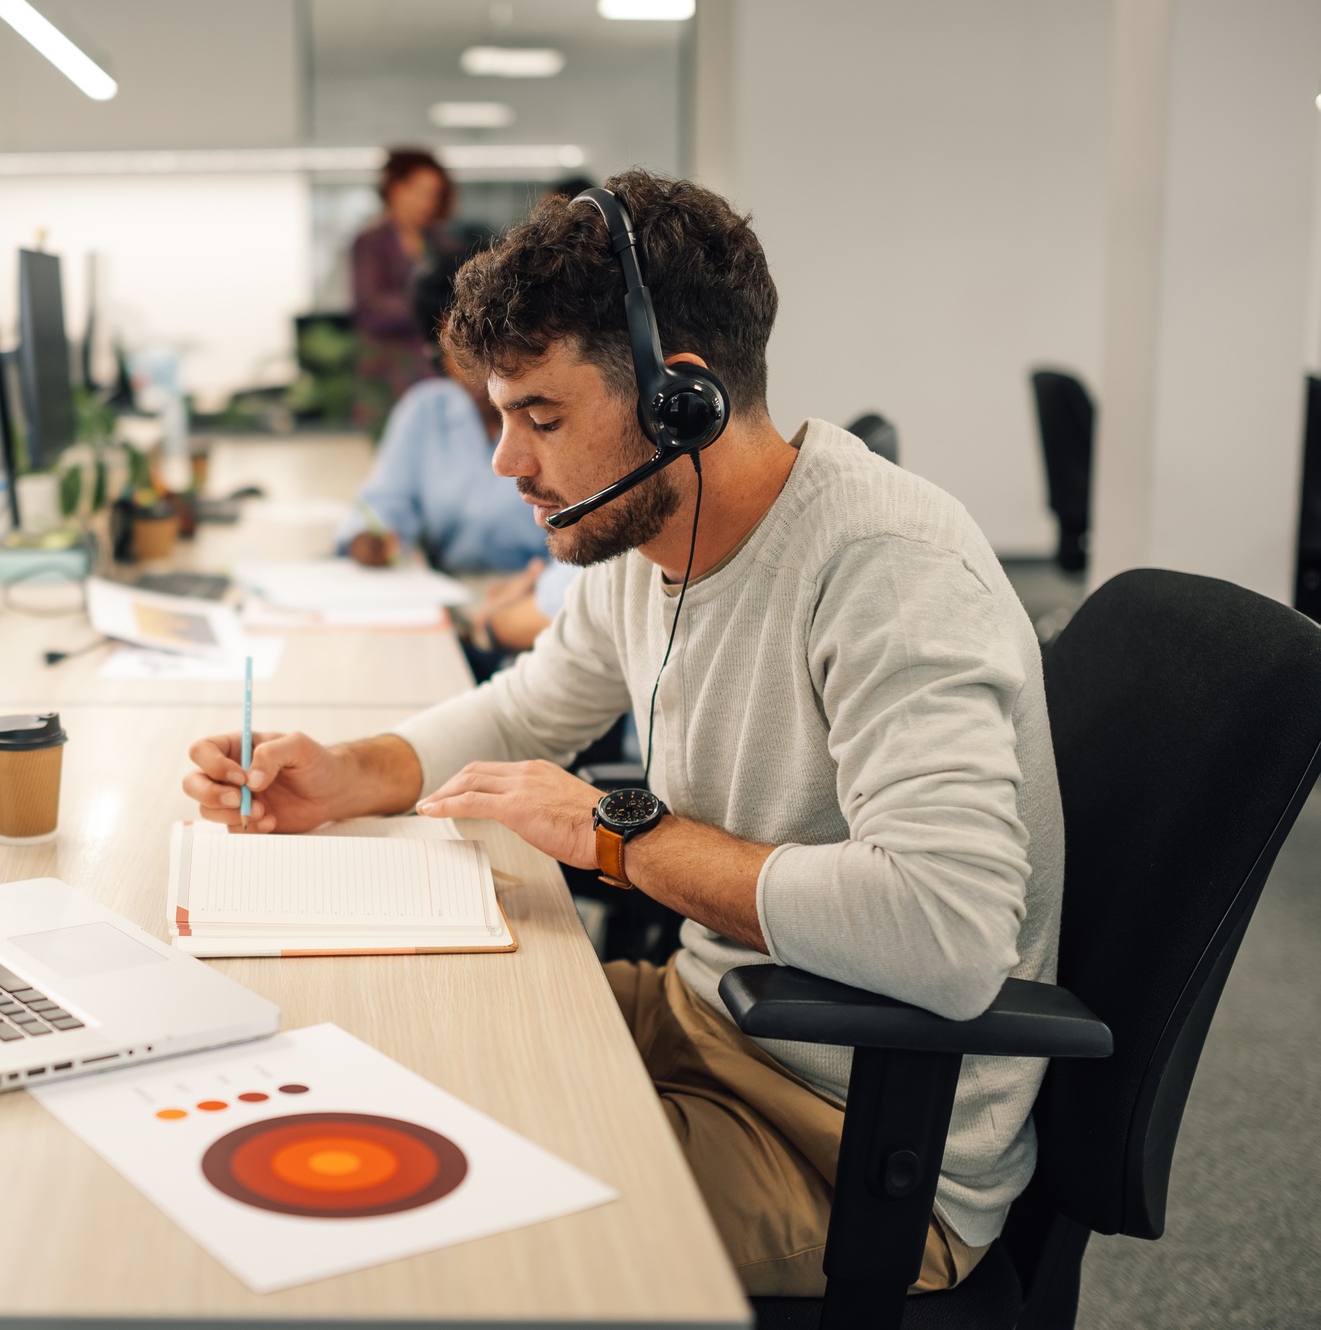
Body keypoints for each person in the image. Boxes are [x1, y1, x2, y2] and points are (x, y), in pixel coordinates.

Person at [183, 169, 1061, 1298]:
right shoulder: (643, 541)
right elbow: (523, 705)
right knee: (351, 1060)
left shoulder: (884, 567)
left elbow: (945, 930)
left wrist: (615, 834)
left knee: (404, 1237)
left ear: (675, 402)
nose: (507, 462)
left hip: (850, 1131)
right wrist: (348, 774)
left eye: (538, 417)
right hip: (709, 1015)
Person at [340, 237, 547, 576]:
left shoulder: (555, 414)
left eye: (490, 342)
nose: (477, 365)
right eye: (459, 350)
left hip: (542, 603)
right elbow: (384, 502)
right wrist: (371, 536)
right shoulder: (425, 410)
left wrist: (531, 598)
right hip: (454, 596)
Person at [350, 148, 454, 432]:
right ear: (395, 189)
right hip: (388, 375)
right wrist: (431, 306)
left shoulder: (440, 242)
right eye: (421, 191)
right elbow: (372, 307)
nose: (428, 202)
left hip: (436, 372)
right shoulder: (370, 243)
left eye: (434, 194)